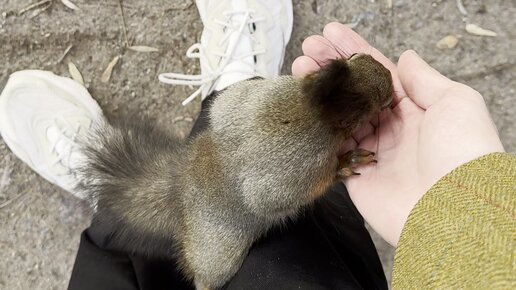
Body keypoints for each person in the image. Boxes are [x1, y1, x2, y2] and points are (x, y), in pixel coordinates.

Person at [0, 0, 513, 289]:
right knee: (228, 259)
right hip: (222, 189)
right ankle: (115, 205)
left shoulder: (296, 108)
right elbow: (260, 179)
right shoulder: (311, 148)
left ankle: (112, 220)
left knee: (207, 274)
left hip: (225, 192)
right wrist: (334, 172)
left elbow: (242, 148)